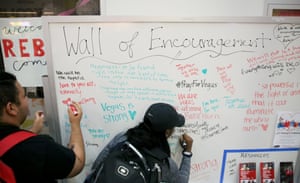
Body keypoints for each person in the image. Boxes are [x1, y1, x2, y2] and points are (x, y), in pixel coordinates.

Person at [0, 71, 85, 183]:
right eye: (24, 96)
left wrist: (32, 132)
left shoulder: (31, 146)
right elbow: (77, 163)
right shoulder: (38, 147)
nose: (27, 100)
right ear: (11, 108)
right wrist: (75, 124)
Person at [89, 102, 193, 183]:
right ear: (167, 132)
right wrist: (187, 153)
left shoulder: (123, 138)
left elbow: (97, 165)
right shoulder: (165, 164)